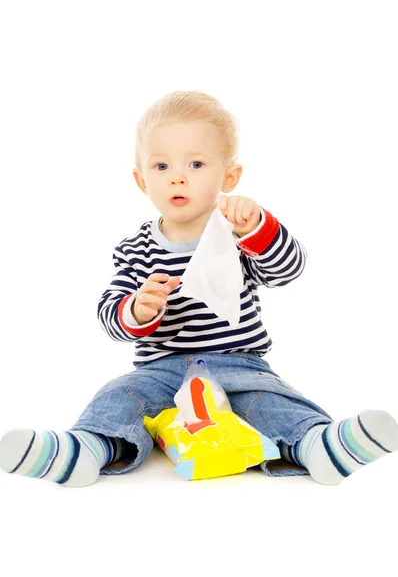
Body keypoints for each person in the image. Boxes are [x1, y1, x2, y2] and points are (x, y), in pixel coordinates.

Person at [1, 90, 397, 487]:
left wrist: (259, 229)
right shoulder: (135, 249)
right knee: (121, 396)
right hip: (161, 369)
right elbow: (110, 315)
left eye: (195, 163)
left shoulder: (237, 231)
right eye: (161, 165)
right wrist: (138, 309)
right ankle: (87, 449)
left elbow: (287, 271)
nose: (177, 176)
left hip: (237, 362)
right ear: (141, 180)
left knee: (269, 400)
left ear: (229, 177)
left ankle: (317, 445)